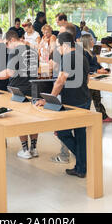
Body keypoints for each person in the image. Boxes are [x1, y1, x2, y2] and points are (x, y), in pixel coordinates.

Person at [36, 32, 91, 178]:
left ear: (64, 45)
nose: (58, 49)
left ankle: (83, 161)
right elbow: (87, 79)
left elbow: (60, 80)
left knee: (62, 132)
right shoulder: (83, 56)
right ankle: (81, 167)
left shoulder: (67, 57)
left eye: (58, 46)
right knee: (80, 135)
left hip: (74, 102)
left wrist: (49, 100)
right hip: (84, 98)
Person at [0, 30, 40, 159]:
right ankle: (34, 148)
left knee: (20, 120)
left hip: (18, 90)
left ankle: (25, 149)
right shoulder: (33, 50)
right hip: (33, 88)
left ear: (12, 40)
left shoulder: (15, 51)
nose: (7, 47)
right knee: (32, 119)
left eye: (7, 44)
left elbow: (9, 72)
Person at [81, 34, 112, 123]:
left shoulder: (91, 52)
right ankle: (84, 117)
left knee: (97, 98)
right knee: (89, 99)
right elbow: (87, 67)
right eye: (91, 40)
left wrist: (102, 68)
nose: (93, 41)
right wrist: (97, 70)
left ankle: (103, 116)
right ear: (87, 42)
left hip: (96, 78)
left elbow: (96, 64)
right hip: (90, 79)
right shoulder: (84, 53)